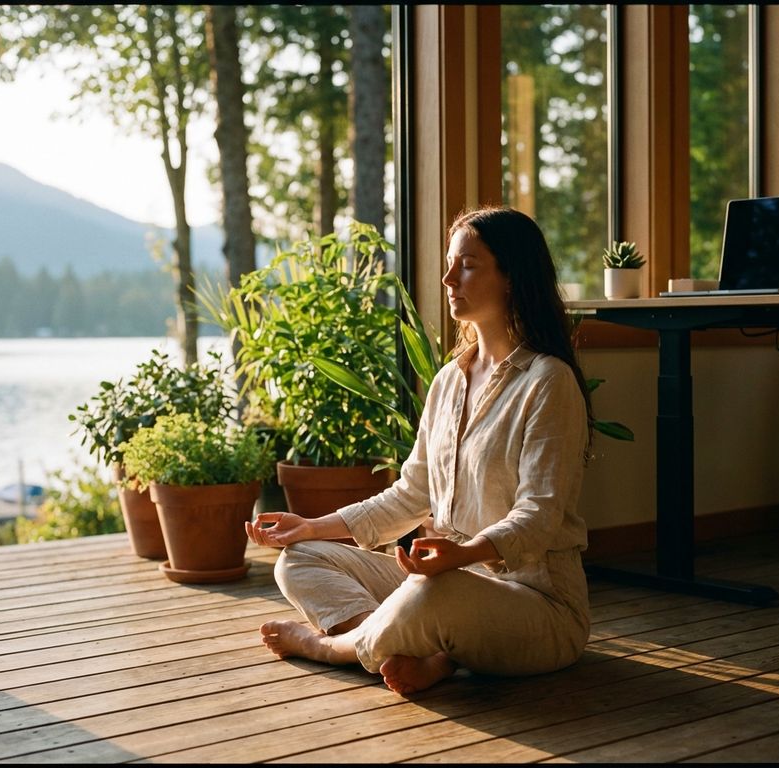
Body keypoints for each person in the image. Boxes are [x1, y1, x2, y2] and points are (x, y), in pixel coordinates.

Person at [246, 205, 594, 696]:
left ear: (512, 276)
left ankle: (326, 647)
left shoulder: (547, 382)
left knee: (430, 592)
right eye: (451, 264)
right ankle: (425, 654)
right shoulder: (449, 381)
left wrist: (464, 554)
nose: (449, 277)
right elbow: (410, 495)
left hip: (538, 605)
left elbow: (538, 515)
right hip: (442, 584)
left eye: (468, 265)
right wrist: (309, 526)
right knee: (300, 559)